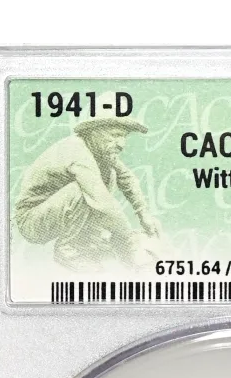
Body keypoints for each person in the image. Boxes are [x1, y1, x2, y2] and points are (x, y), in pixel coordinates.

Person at [14, 95, 160, 269]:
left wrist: (143, 214)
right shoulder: (75, 150)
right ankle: (68, 249)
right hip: (32, 222)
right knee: (83, 190)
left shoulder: (100, 151)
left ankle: (89, 240)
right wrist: (130, 243)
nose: (122, 144)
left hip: (54, 213)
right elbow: (102, 202)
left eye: (124, 136)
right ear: (94, 131)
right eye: (115, 135)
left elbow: (127, 178)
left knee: (110, 175)